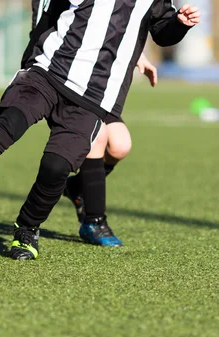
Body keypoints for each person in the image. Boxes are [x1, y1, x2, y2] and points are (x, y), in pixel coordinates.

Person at [0, 0, 200, 260]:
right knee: (8, 126)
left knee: (57, 166)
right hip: (47, 73)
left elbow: (161, 30)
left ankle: (27, 230)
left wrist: (179, 23)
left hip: (94, 95)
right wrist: (31, 58)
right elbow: (46, 12)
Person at [26, 0, 158, 247]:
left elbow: (112, 20)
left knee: (120, 145)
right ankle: (94, 221)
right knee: (95, 138)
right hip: (65, 78)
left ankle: (76, 186)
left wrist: (137, 54)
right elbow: (49, 26)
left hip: (99, 80)